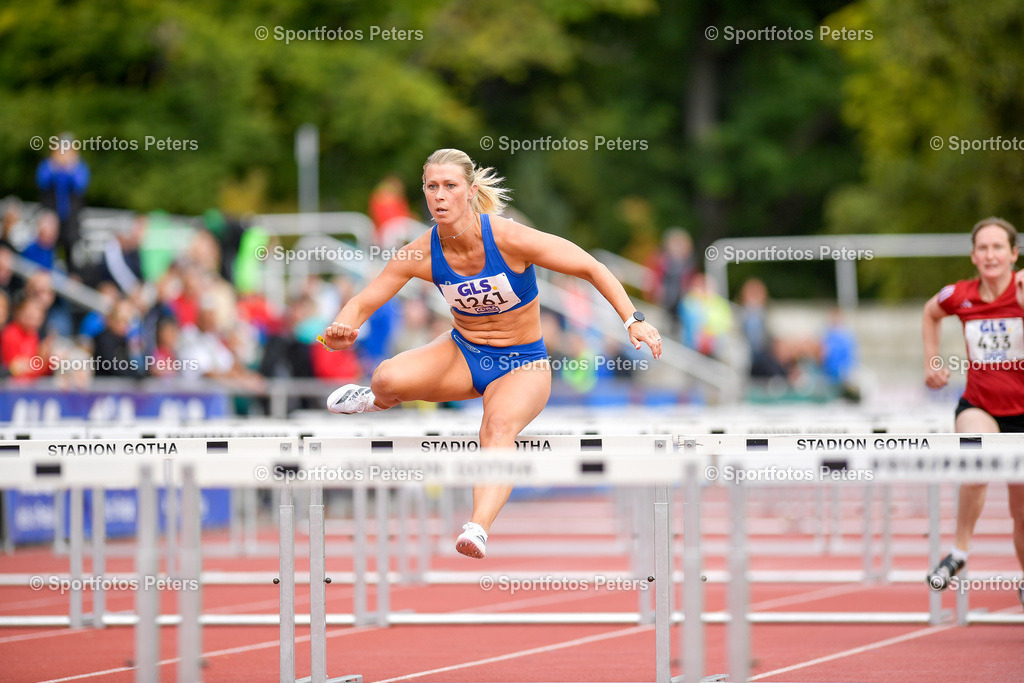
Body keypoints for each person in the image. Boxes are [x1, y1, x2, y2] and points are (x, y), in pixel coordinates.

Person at [320, 148, 662, 559]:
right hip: (463, 352)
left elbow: (590, 265)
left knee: (497, 427)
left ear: (470, 191)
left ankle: (477, 526)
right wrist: (341, 328)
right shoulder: (420, 252)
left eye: (450, 186)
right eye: (432, 187)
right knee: (385, 378)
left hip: (523, 363)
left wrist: (633, 319)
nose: (440, 196)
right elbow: (362, 301)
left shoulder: (508, 238)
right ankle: (375, 400)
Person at [923, 216, 1024, 608]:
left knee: (1021, 509)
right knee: (978, 456)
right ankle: (959, 552)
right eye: (983, 248)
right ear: (972, 256)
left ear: (1013, 253)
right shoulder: (959, 295)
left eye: (998, 247)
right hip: (981, 404)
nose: (990, 254)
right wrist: (932, 361)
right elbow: (930, 313)